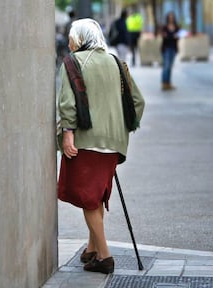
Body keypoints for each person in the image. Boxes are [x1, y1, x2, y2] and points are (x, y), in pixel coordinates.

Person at [57, 18, 145, 274]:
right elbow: (137, 102)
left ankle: (104, 257)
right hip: (114, 144)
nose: (70, 42)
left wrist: (68, 135)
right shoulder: (116, 63)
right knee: (95, 196)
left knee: (88, 199)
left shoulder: (73, 63)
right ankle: (91, 249)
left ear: (81, 39)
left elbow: (67, 103)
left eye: (73, 37)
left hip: (87, 142)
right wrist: (119, 129)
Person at [160, 12, 180, 91]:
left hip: (173, 48)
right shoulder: (164, 27)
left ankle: (168, 83)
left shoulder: (176, 27)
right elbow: (164, 37)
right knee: (166, 66)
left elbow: (178, 36)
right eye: (170, 17)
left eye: (172, 17)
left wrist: (173, 36)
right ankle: (164, 82)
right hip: (166, 48)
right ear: (167, 18)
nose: (171, 18)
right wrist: (172, 36)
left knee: (170, 66)